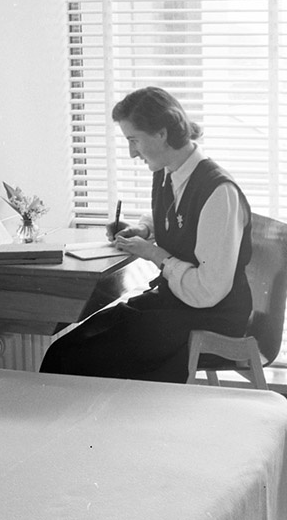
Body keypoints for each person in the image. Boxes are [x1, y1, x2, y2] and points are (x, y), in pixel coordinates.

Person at [40, 87, 252, 383]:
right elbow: (171, 215)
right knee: (63, 351)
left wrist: (153, 253)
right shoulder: (169, 172)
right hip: (176, 303)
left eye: (133, 140)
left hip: (212, 315)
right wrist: (143, 229)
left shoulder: (219, 193)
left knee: (80, 360)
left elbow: (207, 291)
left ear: (162, 134)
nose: (131, 152)